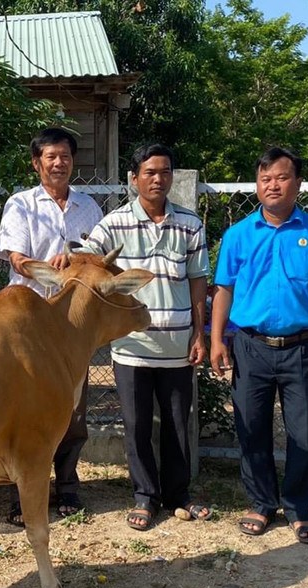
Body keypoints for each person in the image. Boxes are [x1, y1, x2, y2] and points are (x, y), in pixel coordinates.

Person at [210, 147, 308, 544]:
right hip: (250, 347)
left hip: (302, 348)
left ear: (298, 184)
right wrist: (217, 340)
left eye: (281, 177)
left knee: (304, 432)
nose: (273, 185)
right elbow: (223, 290)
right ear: (257, 185)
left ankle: (299, 507)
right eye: (265, 178)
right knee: (251, 427)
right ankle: (260, 503)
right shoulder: (238, 235)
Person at [81, 144, 211, 531]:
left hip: (178, 345)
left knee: (177, 423)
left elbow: (198, 280)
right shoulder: (113, 224)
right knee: (136, 426)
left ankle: (179, 494)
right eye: (150, 172)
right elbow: (89, 262)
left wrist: (198, 334)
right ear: (133, 178)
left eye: (165, 172)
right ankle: (144, 497)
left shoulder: (190, 223)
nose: (158, 179)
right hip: (132, 348)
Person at [0, 127, 103, 526]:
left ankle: (69, 485)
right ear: (36, 162)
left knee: (73, 407)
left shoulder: (89, 208)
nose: (59, 163)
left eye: (65, 156)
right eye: (51, 157)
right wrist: (52, 270)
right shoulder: (21, 205)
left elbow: (98, 261)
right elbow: (17, 259)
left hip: (75, 326)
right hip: (28, 322)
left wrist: (77, 261)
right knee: (20, 409)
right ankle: (18, 493)